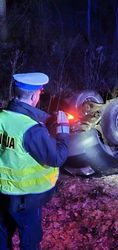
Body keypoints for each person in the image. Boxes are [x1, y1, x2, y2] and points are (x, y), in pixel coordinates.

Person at [0, 72, 70, 250]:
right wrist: (63, 133)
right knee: (30, 239)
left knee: (2, 234)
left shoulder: (3, 118)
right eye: (40, 92)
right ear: (33, 95)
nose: (40, 95)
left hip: (2, 194)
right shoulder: (31, 130)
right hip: (25, 198)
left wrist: (47, 121)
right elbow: (57, 158)